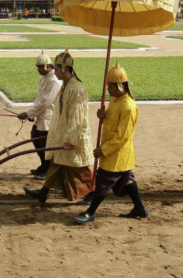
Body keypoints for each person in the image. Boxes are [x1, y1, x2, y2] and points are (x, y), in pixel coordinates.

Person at [75, 63, 148, 224]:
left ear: (120, 86)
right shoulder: (115, 99)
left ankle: (91, 212)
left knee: (103, 182)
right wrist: (104, 115)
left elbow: (122, 136)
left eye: (110, 86)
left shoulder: (129, 107)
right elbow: (113, 121)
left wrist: (103, 150)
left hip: (117, 152)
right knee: (127, 180)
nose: (108, 89)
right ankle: (140, 209)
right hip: (113, 150)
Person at [24, 50, 94, 205]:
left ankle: (94, 193)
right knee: (56, 163)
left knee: (79, 167)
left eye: (55, 68)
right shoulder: (66, 86)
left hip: (74, 136)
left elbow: (77, 116)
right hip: (64, 134)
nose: (54, 71)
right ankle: (44, 192)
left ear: (64, 69)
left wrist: (70, 138)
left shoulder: (77, 89)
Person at [18, 51, 62, 180]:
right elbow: (39, 99)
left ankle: (47, 169)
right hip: (41, 115)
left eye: (40, 67)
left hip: (49, 116)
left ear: (48, 66)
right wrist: (32, 114)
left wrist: (28, 113)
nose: (38, 70)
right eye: (37, 67)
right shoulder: (43, 78)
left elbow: (45, 102)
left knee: (44, 144)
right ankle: (43, 165)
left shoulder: (54, 80)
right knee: (35, 137)